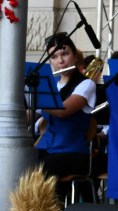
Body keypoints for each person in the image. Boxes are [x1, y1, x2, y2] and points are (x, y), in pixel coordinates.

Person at [36, 33, 97, 178]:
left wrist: (35, 99)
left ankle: (46, 201)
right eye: (54, 57)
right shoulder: (50, 84)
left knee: (42, 169)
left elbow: (63, 111)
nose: (60, 61)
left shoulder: (86, 84)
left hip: (73, 152)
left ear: (75, 56)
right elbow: (28, 117)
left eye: (65, 54)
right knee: (18, 161)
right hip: (47, 148)